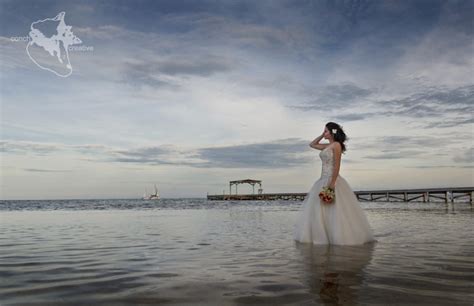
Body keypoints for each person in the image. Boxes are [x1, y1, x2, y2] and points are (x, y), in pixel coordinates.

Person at [294, 122, 375, 245]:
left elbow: (337, 166)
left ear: (332, 132)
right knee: (320, 210)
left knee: (334, 210)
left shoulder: (336, 145)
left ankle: (338, 238)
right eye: (324, 131)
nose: (324, 133)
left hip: (332, 180)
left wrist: (332, 183)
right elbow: (312, 144)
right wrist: (322, 134)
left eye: (326, 131)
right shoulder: (328, 146)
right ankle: (322, 237)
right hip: (322, 180)